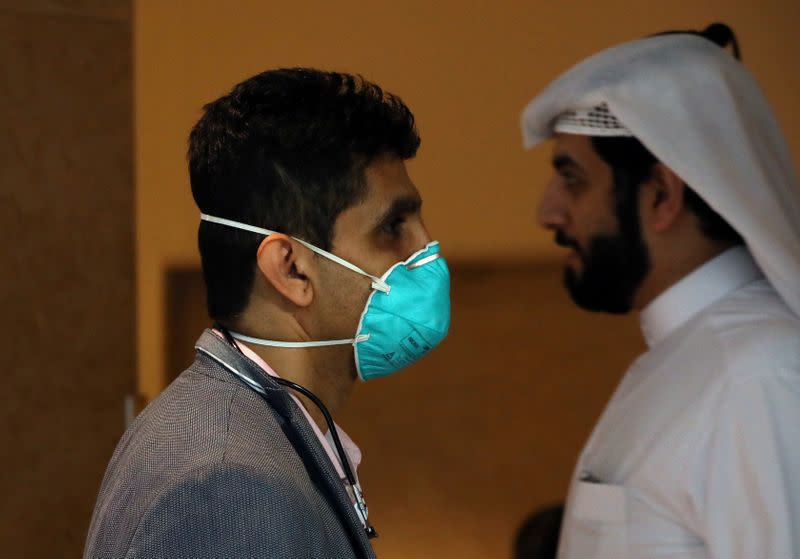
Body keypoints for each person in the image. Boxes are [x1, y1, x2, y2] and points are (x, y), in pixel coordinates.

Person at [84, 68, 450, 559]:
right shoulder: (225, 485)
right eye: (393, 227)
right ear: (291, 269)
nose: (425, 249)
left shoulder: (243, 433)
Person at [520, 23, 800, 559]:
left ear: (661, 195)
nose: (548, 212)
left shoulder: (761, 374)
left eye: (573, 179)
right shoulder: (703, 356)